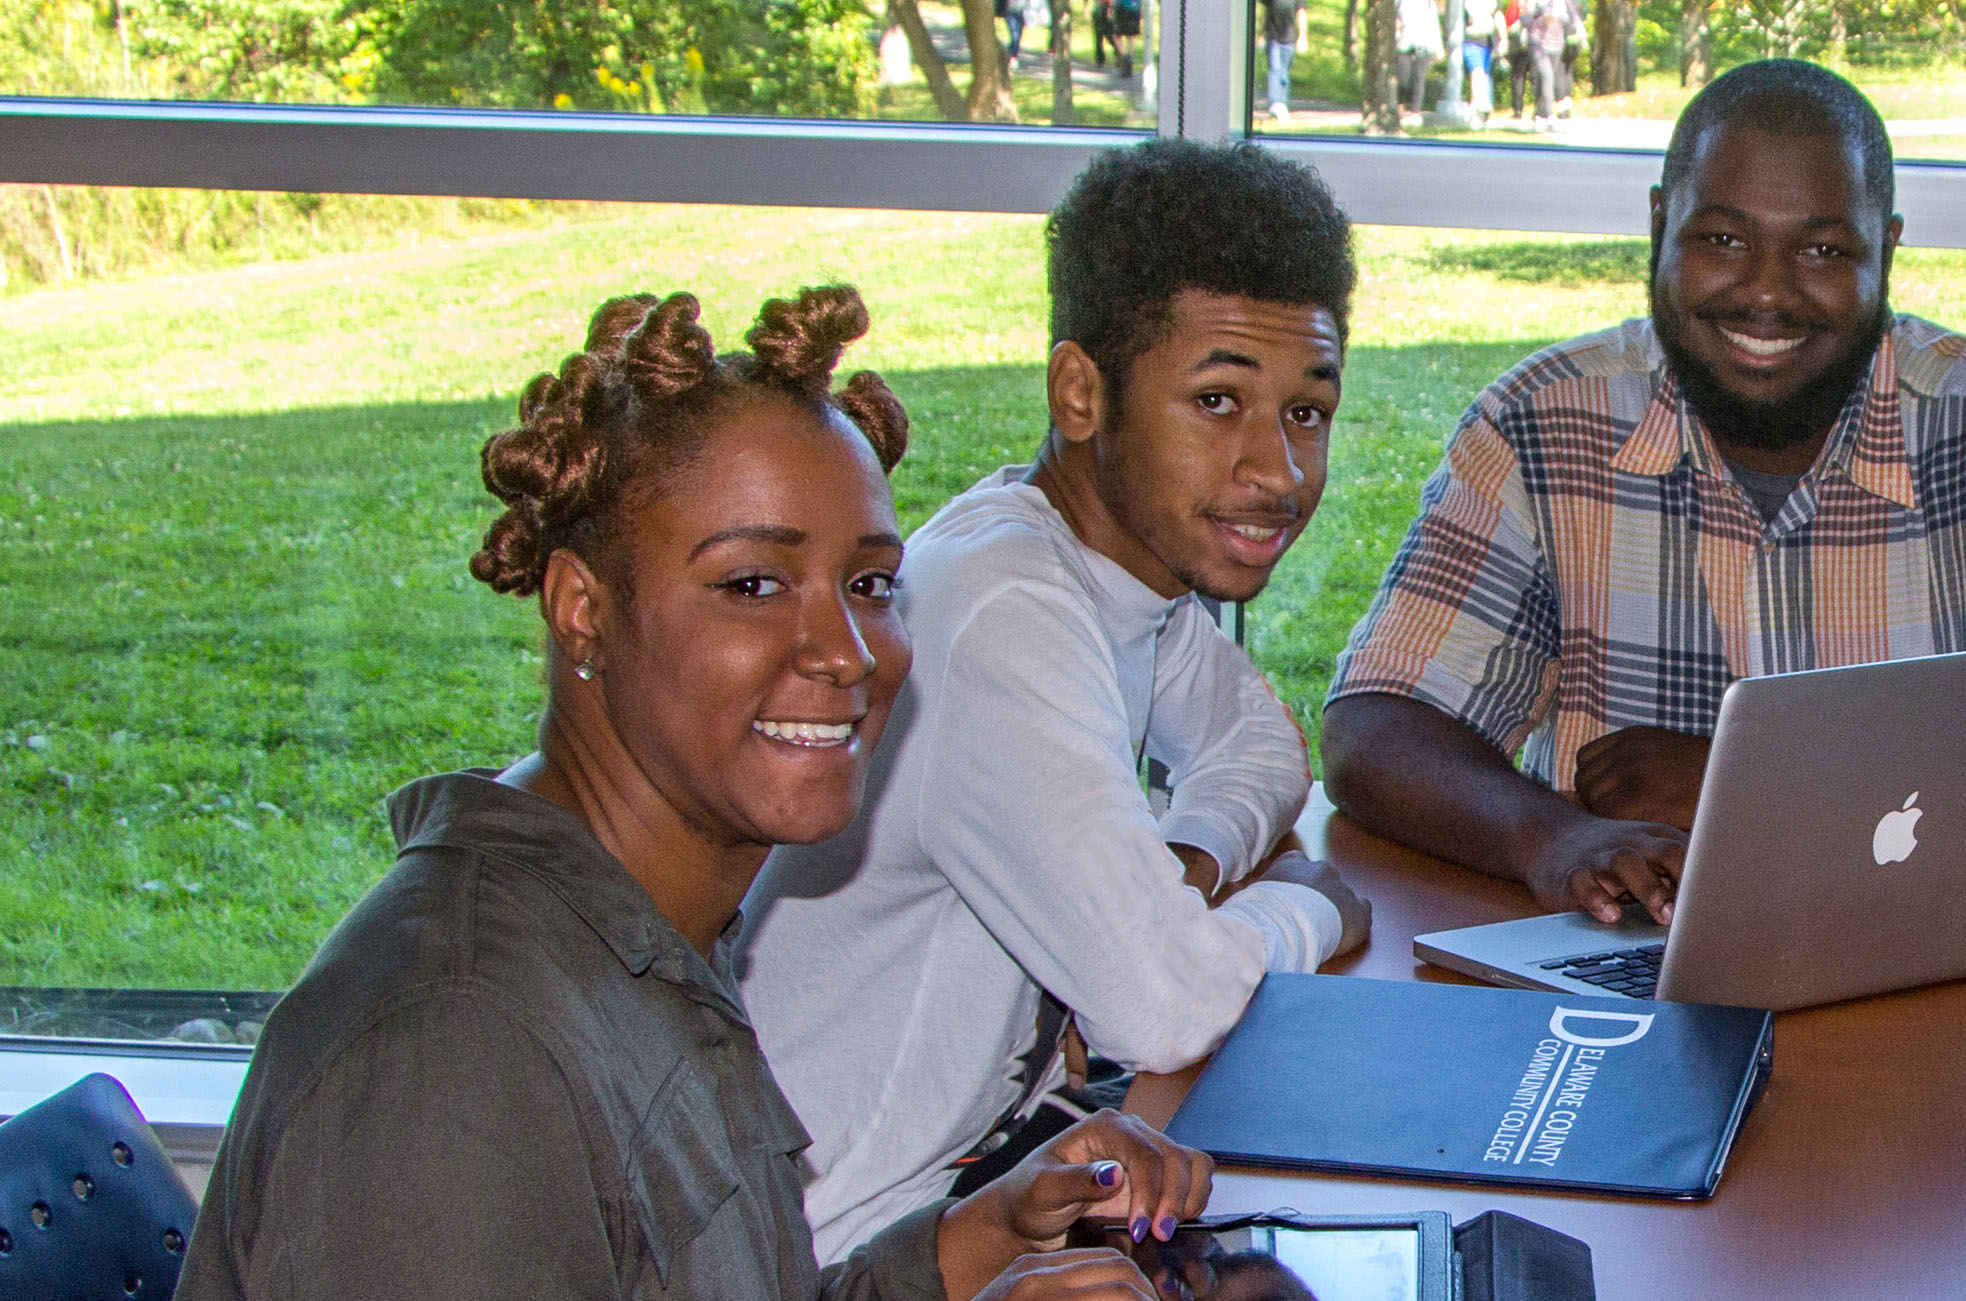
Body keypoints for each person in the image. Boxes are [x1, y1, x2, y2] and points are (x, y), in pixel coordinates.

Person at [180, 287, 1212, 1299]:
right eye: (752, 585)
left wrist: (978, 1237)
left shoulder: (649, 926)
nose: (846, 655)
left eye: (869, 585)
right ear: (582, 610)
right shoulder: (452, 1057)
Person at [1323, 58, 1966, 925]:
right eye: (1721, 239)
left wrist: (1748, 782)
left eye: (1823, 249)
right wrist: (1553, 839)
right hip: (1630, 954)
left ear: (1886, 248)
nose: (1768, 292)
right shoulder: (1541, 423)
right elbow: (1377, 728)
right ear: (1659, 223)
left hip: (1916, 951)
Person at [730, 140, 1373, 1262]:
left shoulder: (1117, 563)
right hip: (834, 1246)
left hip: (987, 1169)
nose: (1276, 469)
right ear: (1081, 393)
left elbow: (1261, 750)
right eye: (1217, 401)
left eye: (1306, 412)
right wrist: (1313, 907)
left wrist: (1180, 874)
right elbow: (1161, 1009)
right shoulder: (1003, 611)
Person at [1518, 0, 1574, 130]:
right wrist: (1543, 19)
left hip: (1556, 45)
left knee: (1546, 80)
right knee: (1547, 76)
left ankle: (1538, 115)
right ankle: (1550, 116)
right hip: (1538, 44)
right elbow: (1525, 19)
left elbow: (1571, 19)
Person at [1398, 0, 1445, 110]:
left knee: (1419, 78)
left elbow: (1434, 24)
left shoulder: (1428, 1)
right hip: (1404, 44)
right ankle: (1400, 105)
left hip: (1424, 45)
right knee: (1403, 78)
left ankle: (1415, 111)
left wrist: (1438, 47)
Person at [1259, 0, 1302, 120]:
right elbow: (1264, 15)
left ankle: (1282, 102)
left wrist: (1302, 36)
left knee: (1284, 72)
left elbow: (1301, 15)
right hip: (1273, 37)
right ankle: (1274, 102)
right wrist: (1261, 34)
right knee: (1275, 69)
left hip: (1288, 39)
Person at [1455, 0, 1500, 111]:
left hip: (1487, 41)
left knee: (1483, 73)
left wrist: (1502, 38)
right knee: (1477, 71)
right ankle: (1481, 104)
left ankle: (1475, 106)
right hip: (1470, 40)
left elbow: (1497, 15)